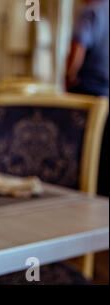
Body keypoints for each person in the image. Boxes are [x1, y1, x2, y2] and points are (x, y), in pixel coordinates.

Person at [66, 0, 109, 196]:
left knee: (84, 158)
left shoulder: (91, 11)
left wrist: (69, 77)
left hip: (89, 95)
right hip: (106, 95)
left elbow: (78, 48)